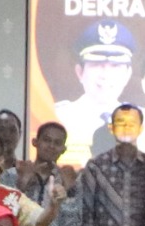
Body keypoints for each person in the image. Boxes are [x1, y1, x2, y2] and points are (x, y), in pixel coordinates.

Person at [53, 21, 139, 160]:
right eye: (97, 65)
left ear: (128, 74)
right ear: (80, 72)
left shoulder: (142, 120)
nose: (105, 75)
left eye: (115, 66)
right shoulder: (59, 115)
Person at [16, 121, 76, 226]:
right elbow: (3, 219)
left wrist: (68, 191)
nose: (51, 146)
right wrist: (22, 187)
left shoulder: (70, 180)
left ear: (63, 149)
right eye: (46, 140)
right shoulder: (14, 174)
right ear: (35, 142)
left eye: (57, 143)